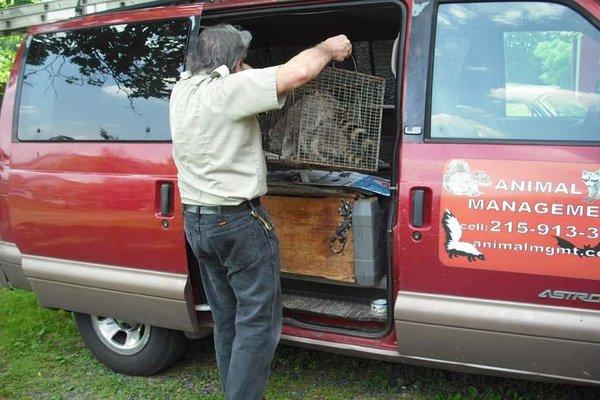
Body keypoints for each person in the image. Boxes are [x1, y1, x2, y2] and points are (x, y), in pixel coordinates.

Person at [169, 24, 352, 400]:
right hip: (237, 222)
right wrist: (327, 46)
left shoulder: (182, 90)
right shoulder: (228, 91)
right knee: (257, 322)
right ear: (234, 63)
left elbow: (248, 79)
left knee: (228, 319)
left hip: (198, 222)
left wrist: (238, 67)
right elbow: (298, 73)